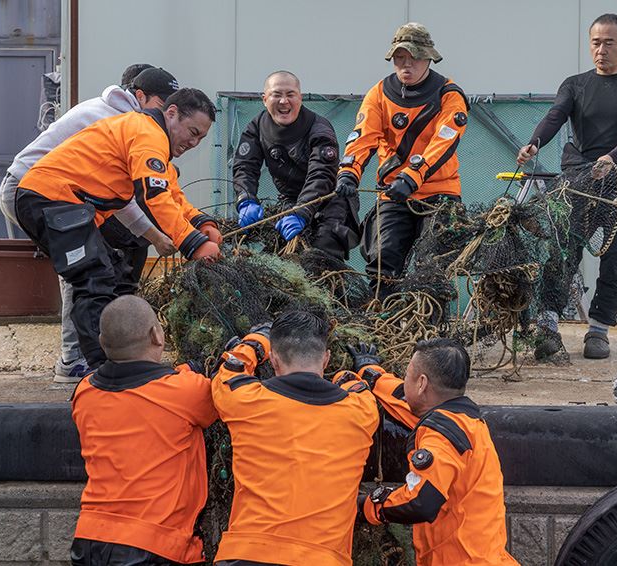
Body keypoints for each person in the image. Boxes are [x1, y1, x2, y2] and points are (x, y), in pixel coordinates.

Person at [15, 87, 222, 368]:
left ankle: (118, 360)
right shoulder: (147, 133)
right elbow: (154, 195)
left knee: (112, 274)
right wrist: (193, 244)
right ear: (171, 113)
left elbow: (171, 193)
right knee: (95, 278)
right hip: (49, 199)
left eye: (201, 138)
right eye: (193, 131)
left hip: (62, 204)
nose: (194, 142)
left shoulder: (152, 141)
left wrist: (201, 223)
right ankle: (102, 369)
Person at [0, 64, 180, 383]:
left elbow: (118, 198)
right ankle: (76, 360)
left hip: (59, 194)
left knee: (115, 254)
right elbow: (126, 204)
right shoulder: (120, 123)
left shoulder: (125, 119)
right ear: (140, 97)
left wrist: (153, 235)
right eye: (164, 106)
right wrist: (158, 233)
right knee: (83, 266)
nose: (169, 117)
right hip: (30, 189)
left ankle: (113, 347)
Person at [517, 13, 617, 360]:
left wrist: (612, 158)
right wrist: (535, 142)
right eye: (595, 42)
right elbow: (555, 115)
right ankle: (549, 325)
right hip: (580, 177)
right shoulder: (575, 84)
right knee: (561, 249)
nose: (601, 49)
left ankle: (598, 329)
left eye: (609, 42)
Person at [210, 311, 379, 565]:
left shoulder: (245, 400)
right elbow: (357, 387)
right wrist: (355, 372)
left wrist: (256, 343)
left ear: (274, 360)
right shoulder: (362, 412)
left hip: (247, 554)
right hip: (322, 559)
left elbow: (228, 372)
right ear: (326, 359)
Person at [70, 295, 218, 565]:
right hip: (155, 546)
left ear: (102, 343)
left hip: (89, 540)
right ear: (157, 335)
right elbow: (216, 398)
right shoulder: (185, 392)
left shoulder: (85, 391)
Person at [346, 339, 518, 566]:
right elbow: (400, 397)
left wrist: (366, 507)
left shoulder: (440, 435)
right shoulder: (464, 420)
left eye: (407, 374)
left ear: (422, 384)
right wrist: (371, 373)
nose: (404, 382)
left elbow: (420, 501)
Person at [335, 23, 469, 296]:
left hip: (439, 194)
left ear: (429, 58)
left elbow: (442, 143)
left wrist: (412, 176)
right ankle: (385, 322)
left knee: (432, 265)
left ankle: (429, 328)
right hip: (393, 195)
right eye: (400, 58)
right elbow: (363, 136)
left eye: (415, 58)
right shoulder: (379, 93)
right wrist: (349, 171)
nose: (407, 65)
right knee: (383, 259)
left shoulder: (449, 95)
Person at [233, 71, 361, 259]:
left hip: (331, 199)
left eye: (290, 94)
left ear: (300, 98)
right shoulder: (257, 126)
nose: (284, 101)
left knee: (322, 253)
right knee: (282, 258)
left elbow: (322, 175)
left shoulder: (319, 128)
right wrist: (246, 199)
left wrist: (301, 213)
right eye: (277, 94)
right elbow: (245, 166)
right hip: (290, 200)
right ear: (265, 99)